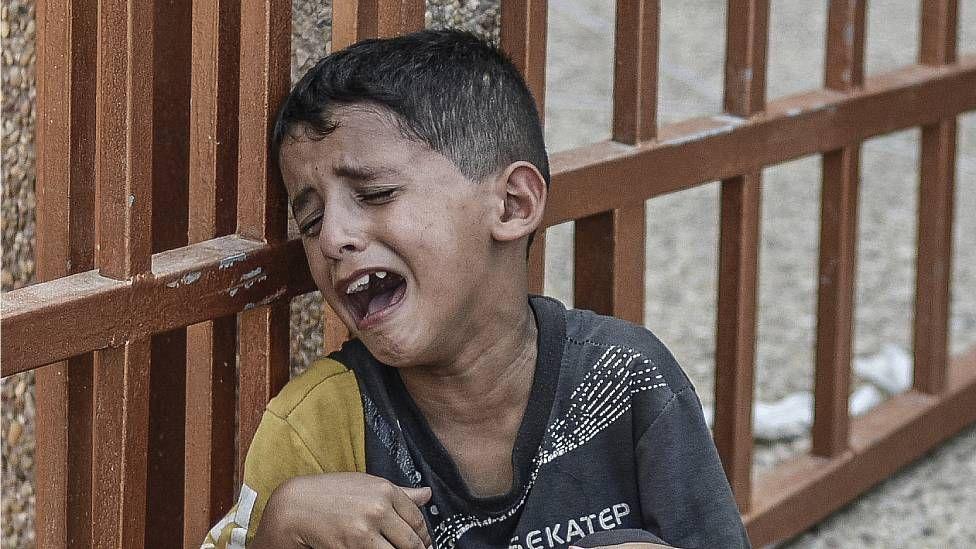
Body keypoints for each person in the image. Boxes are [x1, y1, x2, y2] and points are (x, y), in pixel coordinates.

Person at [202, 29, 750, 549]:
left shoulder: (627, 378)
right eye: (311, 220)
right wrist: (281, 530)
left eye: (376, 193)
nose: (333, 238)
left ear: (512, 205)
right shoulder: (316, 424)